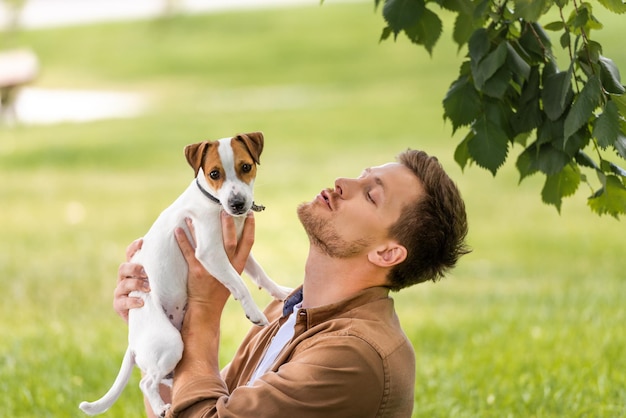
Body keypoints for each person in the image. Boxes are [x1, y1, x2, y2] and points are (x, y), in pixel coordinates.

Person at [114, 149, 470, 417]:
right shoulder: (287, 312)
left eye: (370, 194)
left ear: (388, 253)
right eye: (361, 176)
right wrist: (159, 319)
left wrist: (203, 311)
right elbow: (188, 404)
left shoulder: (355, 357)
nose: (344, 183)